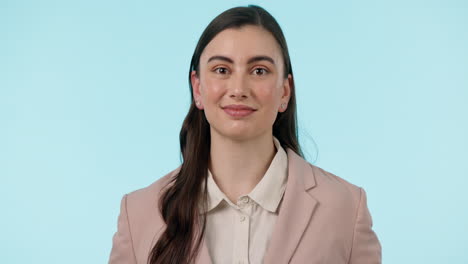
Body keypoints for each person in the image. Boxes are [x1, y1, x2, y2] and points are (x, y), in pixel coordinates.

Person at [109, 5, 381, 264]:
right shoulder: (140, 213)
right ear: (198, 88)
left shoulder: (345, 208)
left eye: (259, 71)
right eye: (222, 70)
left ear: (284, 91)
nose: (238, 88)